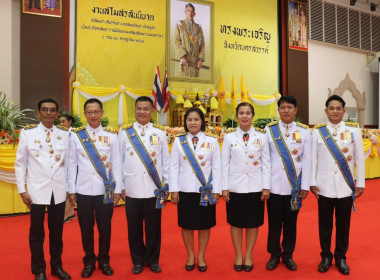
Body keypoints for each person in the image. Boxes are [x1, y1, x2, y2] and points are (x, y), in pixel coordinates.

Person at [15, 98, 71, 280]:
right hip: (36, 191)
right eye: (45, 109)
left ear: (57, 114)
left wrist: (69, 188)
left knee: (57, 233)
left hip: (58, 190)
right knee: (37, 233)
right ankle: (39, 269)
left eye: (52, 110)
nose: (48, 112)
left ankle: (57, 267)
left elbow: (68, 164)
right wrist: (22, 190)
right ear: (38, 113)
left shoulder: (64, 134)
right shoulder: (28, 133)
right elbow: (20, 163)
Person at [310, 95, 365, 275]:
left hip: (345, 186)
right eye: (331, 108)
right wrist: (312, 182)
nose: (335, 111)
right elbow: (313, 159)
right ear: (326, 111)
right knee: (324, 224)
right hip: (324, 187)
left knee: (343, 225)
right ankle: (325, 256)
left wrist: (361, 183)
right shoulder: (318, 132)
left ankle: (341, 257)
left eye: (338, 108)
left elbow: (359, 159)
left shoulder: (354, 131)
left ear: (344, 110)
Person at [68, 98, 122, 278]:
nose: (93, 115)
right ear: (84, 114)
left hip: (104, 191)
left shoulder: (111, 136)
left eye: (96, 112)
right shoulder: (76, 136)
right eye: (89, 112)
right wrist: (72, 189)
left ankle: (104, 260)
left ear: (102, 113)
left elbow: (117, 164)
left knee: (105, 228)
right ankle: (89, 261)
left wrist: (118, 189)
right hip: (83, 191)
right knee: (86, 228)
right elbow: (71, 164)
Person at [118, 96, 170, 274]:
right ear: (134, 110)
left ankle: (153, 260)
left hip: (154, 189)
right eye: (139, 108)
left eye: (146, 108)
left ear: (152, 111)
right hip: (132, 189)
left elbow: (166, 162)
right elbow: (119, 162)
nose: (142, 111)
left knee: (154, 227)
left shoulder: (160, 132)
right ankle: (138, 260)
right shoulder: (125, 132)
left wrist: (166, 185)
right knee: (134, 228)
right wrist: (121, 186)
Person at [169, 107, 221, 272]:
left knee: (205, 225)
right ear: (185, 122)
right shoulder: (179, 141)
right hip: (185, 190)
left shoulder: (212, 141)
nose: (192, 123)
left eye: (196, 119)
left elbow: (217, 168)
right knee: (187, 225)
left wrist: (217, 190)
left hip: (205, 191)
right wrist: (174, 190)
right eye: (189, 120)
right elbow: (173, 168)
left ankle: (201, 256)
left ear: (202, 122)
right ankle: (190, 254)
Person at [222, 102, 270, 272]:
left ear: (252, 115)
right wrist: (224, 187)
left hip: (255, 187)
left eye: (248, 113)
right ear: (236, 116)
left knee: (252, 223)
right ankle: (238, 254)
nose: (244, 116)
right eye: (241, 113)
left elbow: (266, 163)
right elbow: (224, 164)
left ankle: (248, 254)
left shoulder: (262, 136)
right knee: (235, 223)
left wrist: (266, 187)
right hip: (235, 187)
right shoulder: (229, 137)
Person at [265, 95, 311, 271]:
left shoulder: (305, 132)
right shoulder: (269, 130)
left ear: (295, 110)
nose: (286, 110)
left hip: (294, 188)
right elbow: (266, 160)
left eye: (289, 107)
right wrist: (266, 186)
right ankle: (274, 254)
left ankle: (288, 255)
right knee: (274, 223)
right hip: (274, 187)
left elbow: (307, 161)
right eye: (282, 107)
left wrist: (305, 186)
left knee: (291, 224)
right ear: (278, 110)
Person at [174, 3, 205, 77]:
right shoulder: (180, 25)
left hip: (195, 65)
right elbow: (176, 41)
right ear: (185, 12)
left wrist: (200, 60)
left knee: (194, 87)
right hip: (183, 63)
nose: (190, 13)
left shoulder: (199, 28)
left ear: (194, 14)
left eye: (192, 11)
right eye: (188, 10)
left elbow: (202, 45)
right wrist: (182, 57)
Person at [59, 114, 76, 223]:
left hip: (73, 165)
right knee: (65, 188)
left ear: (69, 122)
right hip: (64, 164)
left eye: (63, 121)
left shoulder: (74, 133)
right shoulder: (59, 133)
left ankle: (65, 214)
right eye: (60, 122)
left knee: (69, 188)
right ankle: (71, 212)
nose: (61, 124)